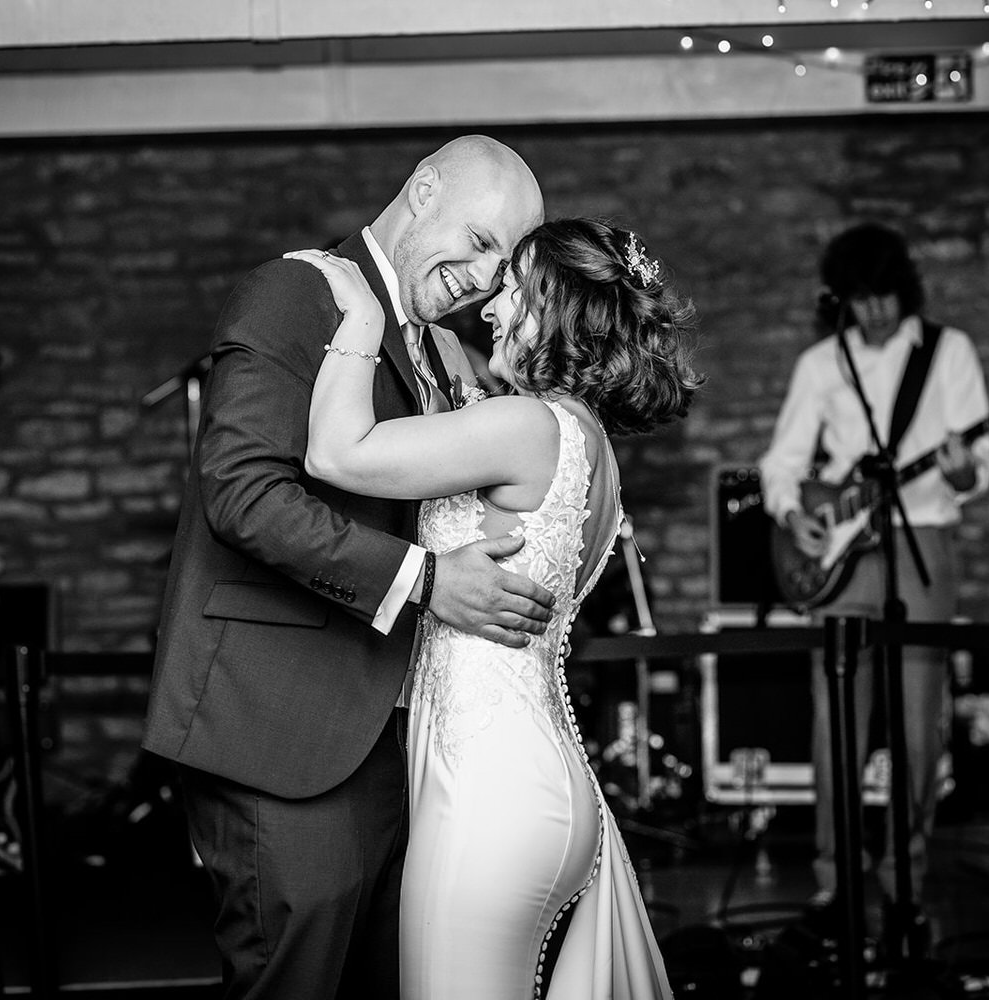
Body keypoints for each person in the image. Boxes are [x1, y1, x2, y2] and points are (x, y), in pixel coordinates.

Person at [142, 135, 559, 999]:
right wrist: (432, 582)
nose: (482, 280)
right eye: (477, 242)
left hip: (388, 739)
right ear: (422, 189)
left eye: (501, 264)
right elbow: (243, 495)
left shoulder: (436, 346)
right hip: (280, 732)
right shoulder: (295, 292)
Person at [287, 215, 700, 998]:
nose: (489, 306)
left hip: (491, 792)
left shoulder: (525, 426)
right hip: (535, 780)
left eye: (510, 287)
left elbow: (336, 454)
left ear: (554, 304)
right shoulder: (585, 444)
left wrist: (363, 323)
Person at [757, 222, 989, 951]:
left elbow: (976, 466)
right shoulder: (821, 363)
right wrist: (795, 515)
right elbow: (780, 464)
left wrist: (958, 468)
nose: (877, 312)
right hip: (843, 548)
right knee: (836, 723)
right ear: (844, 301)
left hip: (923, 540)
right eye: (861, 300)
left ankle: (905, 883)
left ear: (906, 289)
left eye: (886, 296)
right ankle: (837, 880)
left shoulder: (948, 352)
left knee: (920, 728)